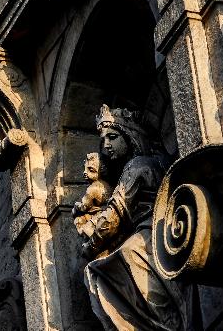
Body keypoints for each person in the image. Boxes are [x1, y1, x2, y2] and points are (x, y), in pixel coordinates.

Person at [78, 104, 189, 330]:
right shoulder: (154, 161)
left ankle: (165, 321)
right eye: (103, 141)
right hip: (163, 227)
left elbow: (114, 215)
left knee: (118, 260)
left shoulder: (136, 166)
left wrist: (90, 246)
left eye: (112, 137)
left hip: (151, 230)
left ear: (129, 137)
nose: (106, 145)